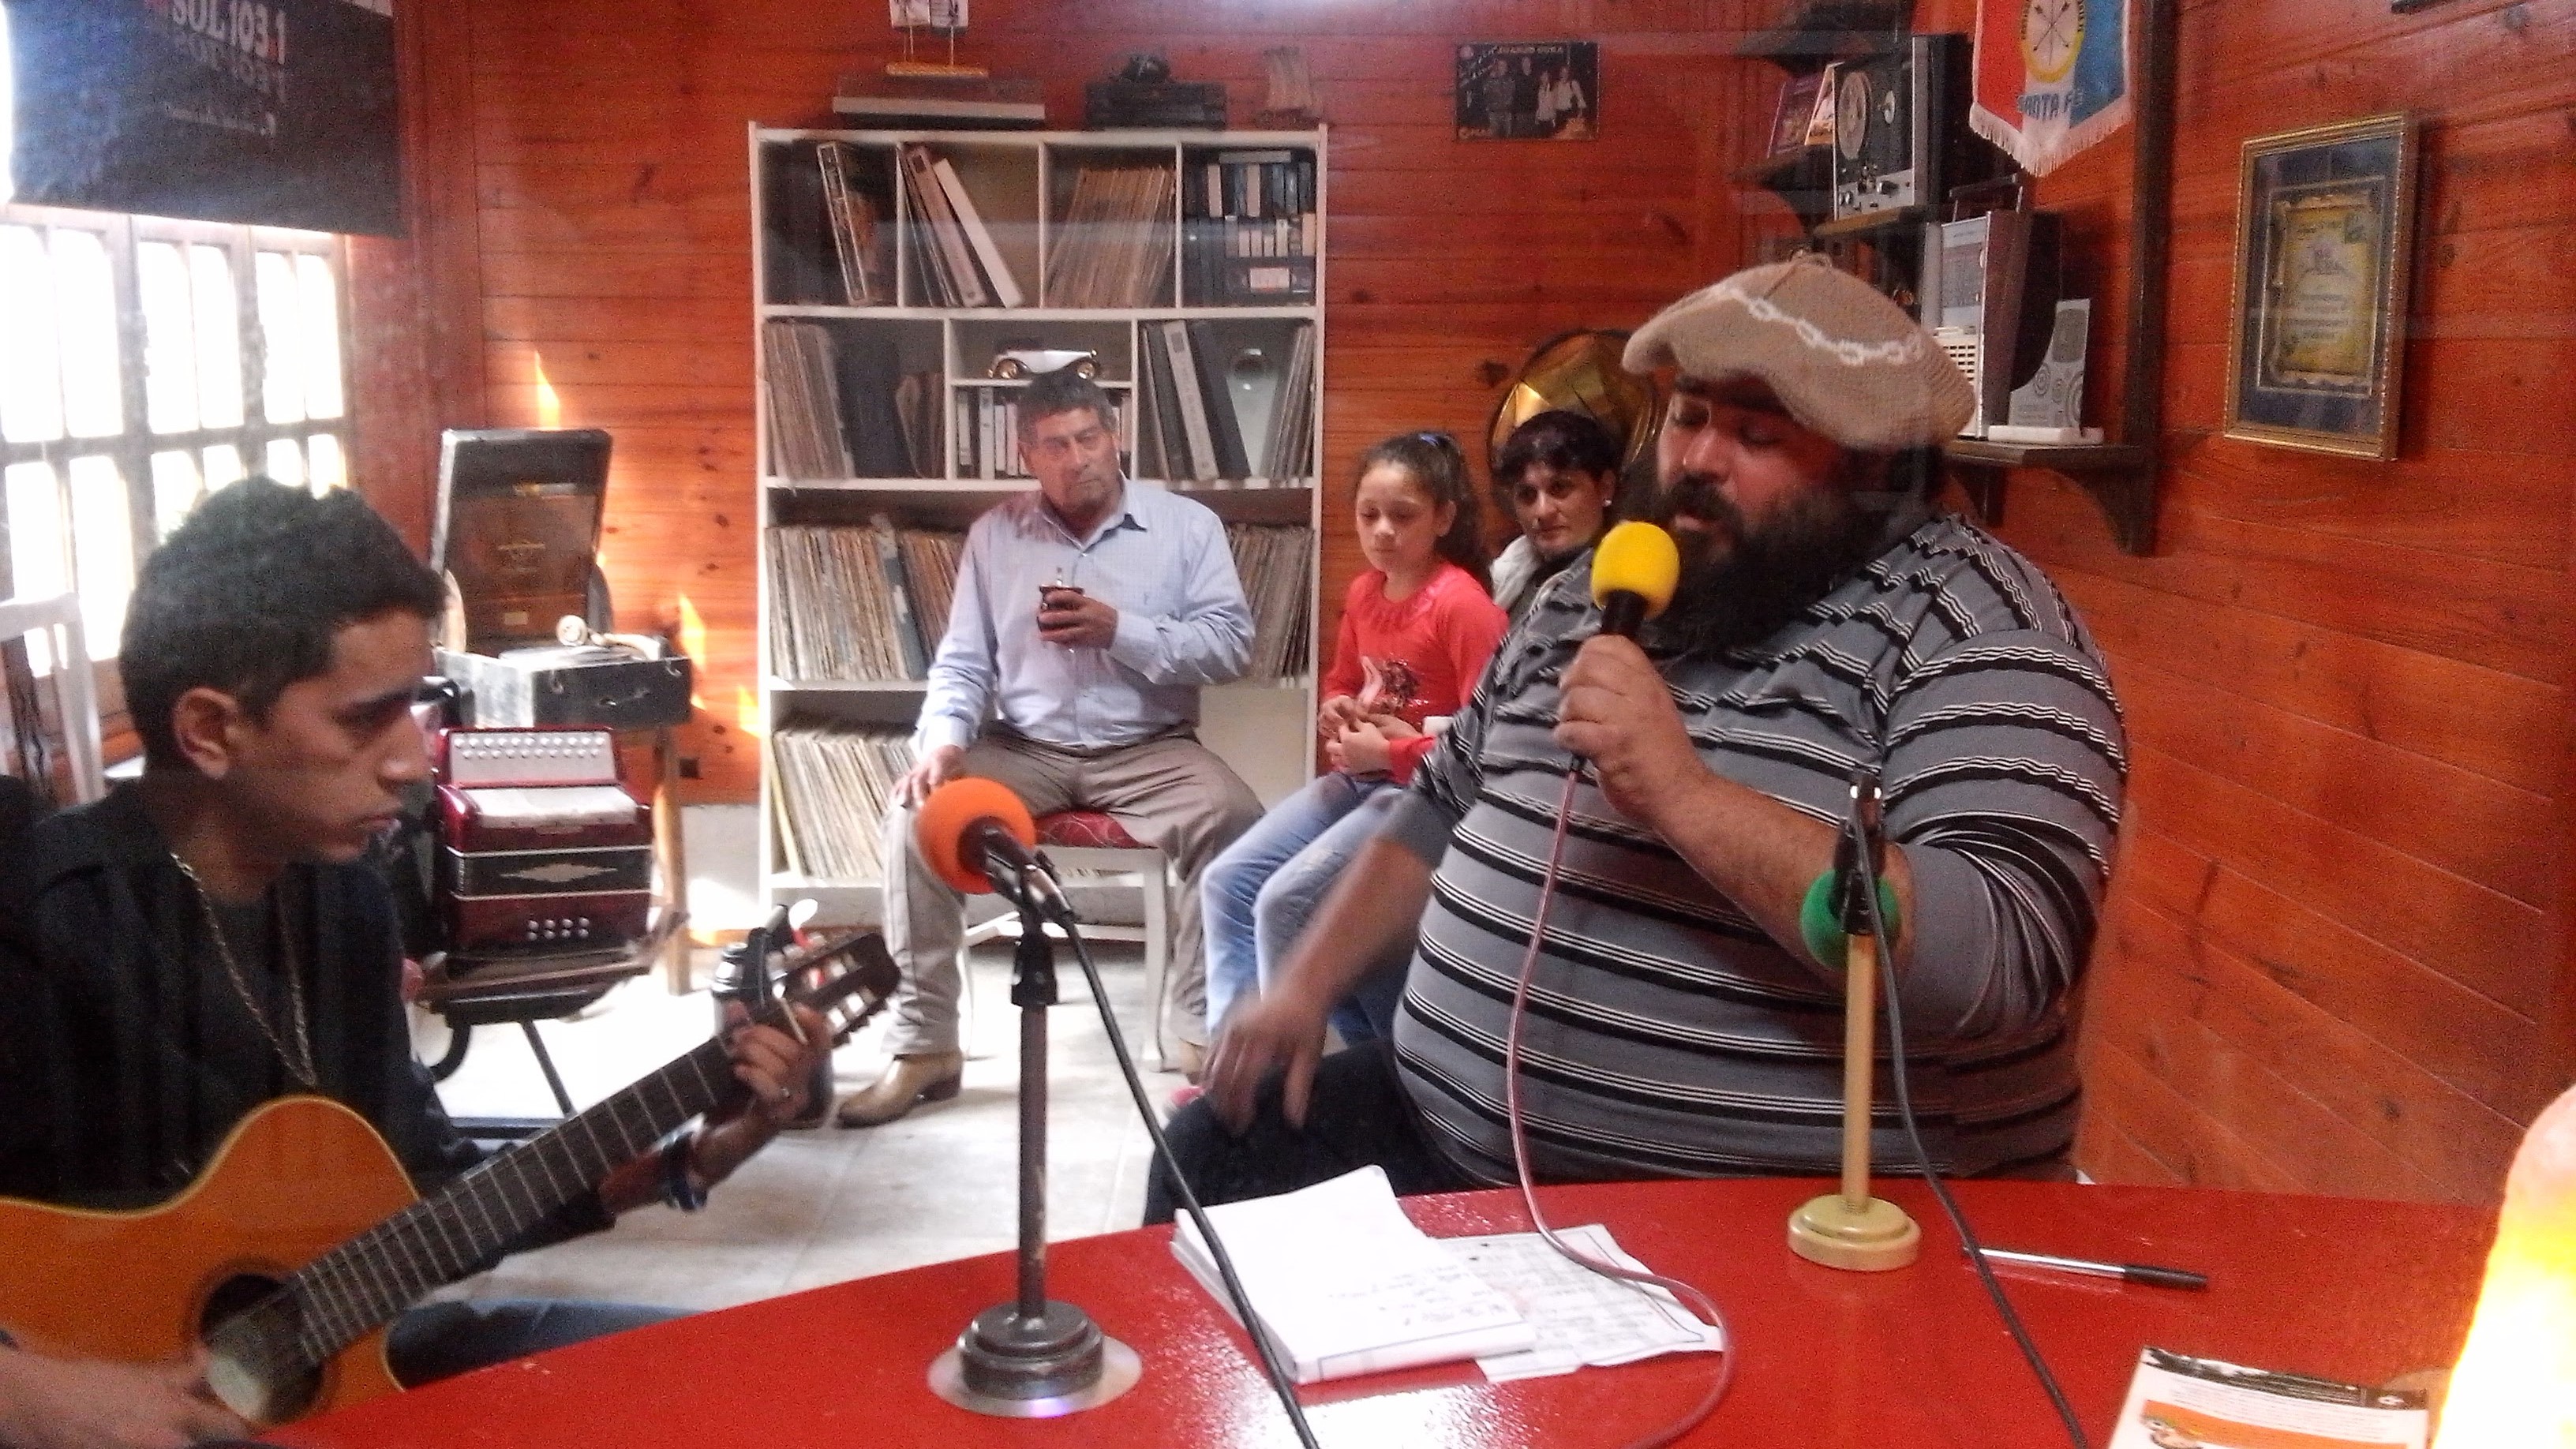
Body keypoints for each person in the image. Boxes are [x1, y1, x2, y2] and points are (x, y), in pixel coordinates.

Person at [1151, 254, 2126, 1219]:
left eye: (1756, 434)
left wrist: (1683, 795)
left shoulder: (1975, 626)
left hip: (1795, 1221)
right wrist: (1304, 988)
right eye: (1691, 417)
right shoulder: (1595, 588)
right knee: (1210, 1160)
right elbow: (1440, 802)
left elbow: (1995, 963)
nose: (1699, 461)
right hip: (1449, 1141)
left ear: (1877, 468)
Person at [0, 479, 828, 1445]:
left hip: (345, 1366)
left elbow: (430, 1204)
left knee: (751, 1385)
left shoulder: (343, 900)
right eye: (364, 719)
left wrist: (692, 1156)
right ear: (212, 731)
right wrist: (36, 1400)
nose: (414, 759)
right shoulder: (39, 922)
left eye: (416, 708)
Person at [838, 365, 1262, 1125]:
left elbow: (1230, 648)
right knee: (913, 818)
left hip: (1150, 748)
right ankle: (924, 1046)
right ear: (1026, 455)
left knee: (1235, 820)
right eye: (1055, 446)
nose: (1077, 459)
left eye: (1089, 438)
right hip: (1023, 746)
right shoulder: (995, 535)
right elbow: (963, 662)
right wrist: (942, 742)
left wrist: (1121, 631)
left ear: (1115, 436)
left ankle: (1203, 1035)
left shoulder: (1187, 527)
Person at [1199, 432, 1507, 1050]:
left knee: (1286, 904)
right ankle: (1230, 1056)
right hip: (1359, 781)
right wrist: (1336, 709)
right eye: (1369, 515)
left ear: (1444, 518)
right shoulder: (1367, 591)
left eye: (1403, 516)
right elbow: (1344, 679)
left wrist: (1392, 753)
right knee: (1227, 881)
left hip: (1423, 797)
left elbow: (1489, 746)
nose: (1383, 531)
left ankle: (1291, 1071)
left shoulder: (1463, 608)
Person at [1487, 409, 1623, 623]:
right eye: (1527, 495)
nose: (1542, 511)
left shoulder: (1623, 587)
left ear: (1606, 487)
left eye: (1559, 488)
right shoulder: (1508, 570)